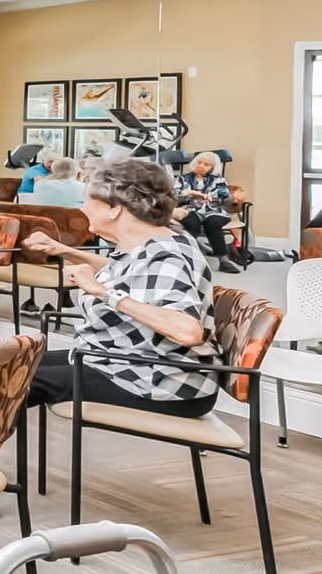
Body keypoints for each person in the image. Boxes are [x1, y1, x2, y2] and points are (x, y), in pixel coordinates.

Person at [20, 156, 219, 417]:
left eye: (89, 200)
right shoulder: (158, 242)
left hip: (164, 382)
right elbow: (134, 271)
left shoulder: (167, 254)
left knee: (18, 381)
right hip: (130, 362)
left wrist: (103, 292)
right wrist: (63, 250)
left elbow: (187, 330)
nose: (83, 207)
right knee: (14, 364)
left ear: (115, 208)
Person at [174, 151, 241, 273]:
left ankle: (223, 260)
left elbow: (224, 200)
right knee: (192, 224)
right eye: (199, 162)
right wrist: (195, 196)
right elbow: (175, 197)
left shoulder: (219, 180)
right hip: (190, 208)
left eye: (206, 164)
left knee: (213, 224)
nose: (201, 166)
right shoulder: (183, 179)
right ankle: (186, 258)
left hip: (215, 210)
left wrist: (210, 199)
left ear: (212, 167)